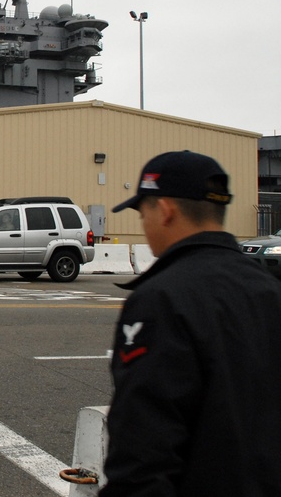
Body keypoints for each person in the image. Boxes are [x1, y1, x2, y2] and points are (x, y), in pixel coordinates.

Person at [101, 151, 281, 496]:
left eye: (143, 213)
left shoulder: (160, 299)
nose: (145, 225)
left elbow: (143, 450)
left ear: (165, 210)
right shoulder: (269, 290)